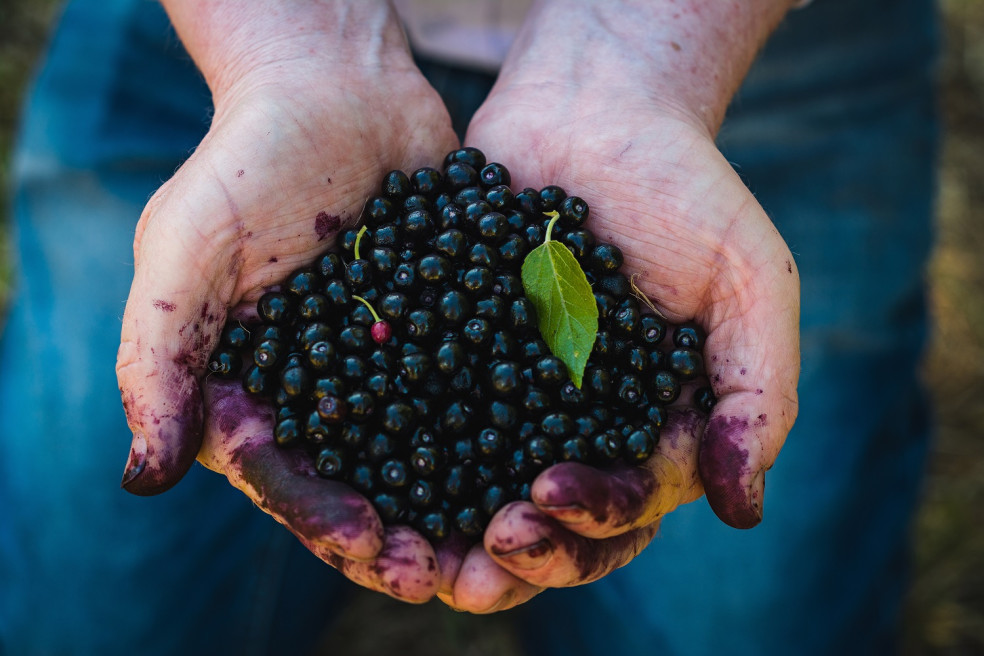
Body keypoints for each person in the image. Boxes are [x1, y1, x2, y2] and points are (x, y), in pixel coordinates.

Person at [0, 0, 939, 654]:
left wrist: (640, 52)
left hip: (741, 55)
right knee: (98, 617)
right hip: (239, 42)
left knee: (744, 629)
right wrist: (292, 48)